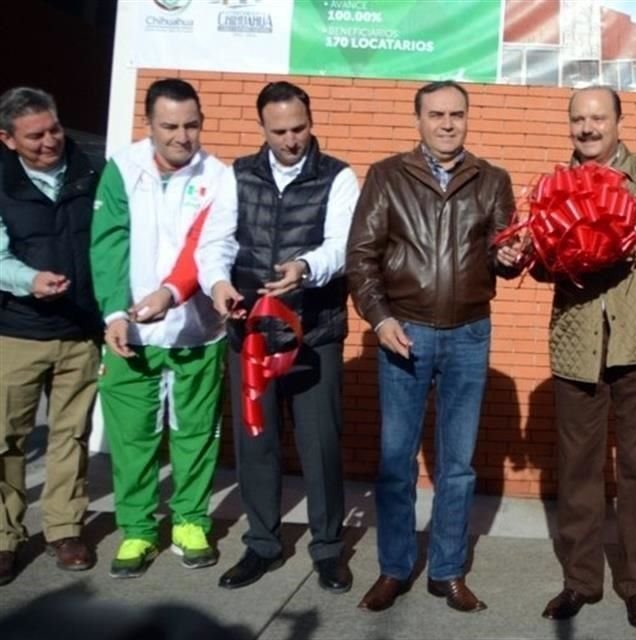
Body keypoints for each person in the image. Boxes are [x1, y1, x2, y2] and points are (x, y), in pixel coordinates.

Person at [526, 86, 636, 629]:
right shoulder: (555, 184)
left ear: (619, 121)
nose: (588, 127)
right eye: (579, 118)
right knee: (578, 470)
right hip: (578, 343)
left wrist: (622, 201)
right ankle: (580, 581)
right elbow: (540, 265)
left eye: (598, 117)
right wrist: (529, 250)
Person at [347, 80, 518, 613]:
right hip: (406, 334)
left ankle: (446, 571)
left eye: (457, 115)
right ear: (418, 119)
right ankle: (395, 568)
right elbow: (362, 258)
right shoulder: (387, 176)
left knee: (458, 465)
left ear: (468, 119)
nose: (448, 124)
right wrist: (379, 320)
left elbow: (502, 252)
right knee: (397, 461)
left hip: (469, 334)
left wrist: (513, 259)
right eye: (437, 114)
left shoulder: (492, 180)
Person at [197, 81, 359, 593]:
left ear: (311, 122)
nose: (292, 140)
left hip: (315, 335)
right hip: (251, 336)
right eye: (280, 131)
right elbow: (216, 242)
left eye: (299, 129)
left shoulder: (339, 176)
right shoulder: (236, 175)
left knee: (320, 447)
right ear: (262, 128)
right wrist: (218, 283)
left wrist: (305, 267)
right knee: (256, 444)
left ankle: (329, 550)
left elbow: (342, 246)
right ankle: (262, 546)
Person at [90, 78, 233, 579]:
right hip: (131, 334)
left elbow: (208, 250)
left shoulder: (219, 177)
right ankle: (137, 530)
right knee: (133, 438)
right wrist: (113, 313)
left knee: (194, 433)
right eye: (169, 125)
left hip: (197, 331)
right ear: (148, 125)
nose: (182, 136)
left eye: (192, 125)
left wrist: (174, 295)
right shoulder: (121, 169)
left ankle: (190, 522)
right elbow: (107, 245)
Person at [0, 87, 101, 585]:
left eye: (54, 129)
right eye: (35, 135)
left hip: (80, 332)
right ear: (7, 139)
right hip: (17, 332)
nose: (49, 142)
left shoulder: (90, 173)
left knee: (70, 437)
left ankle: (63, 529)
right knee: (6, 440)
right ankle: (4, 537)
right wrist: (29, 280)